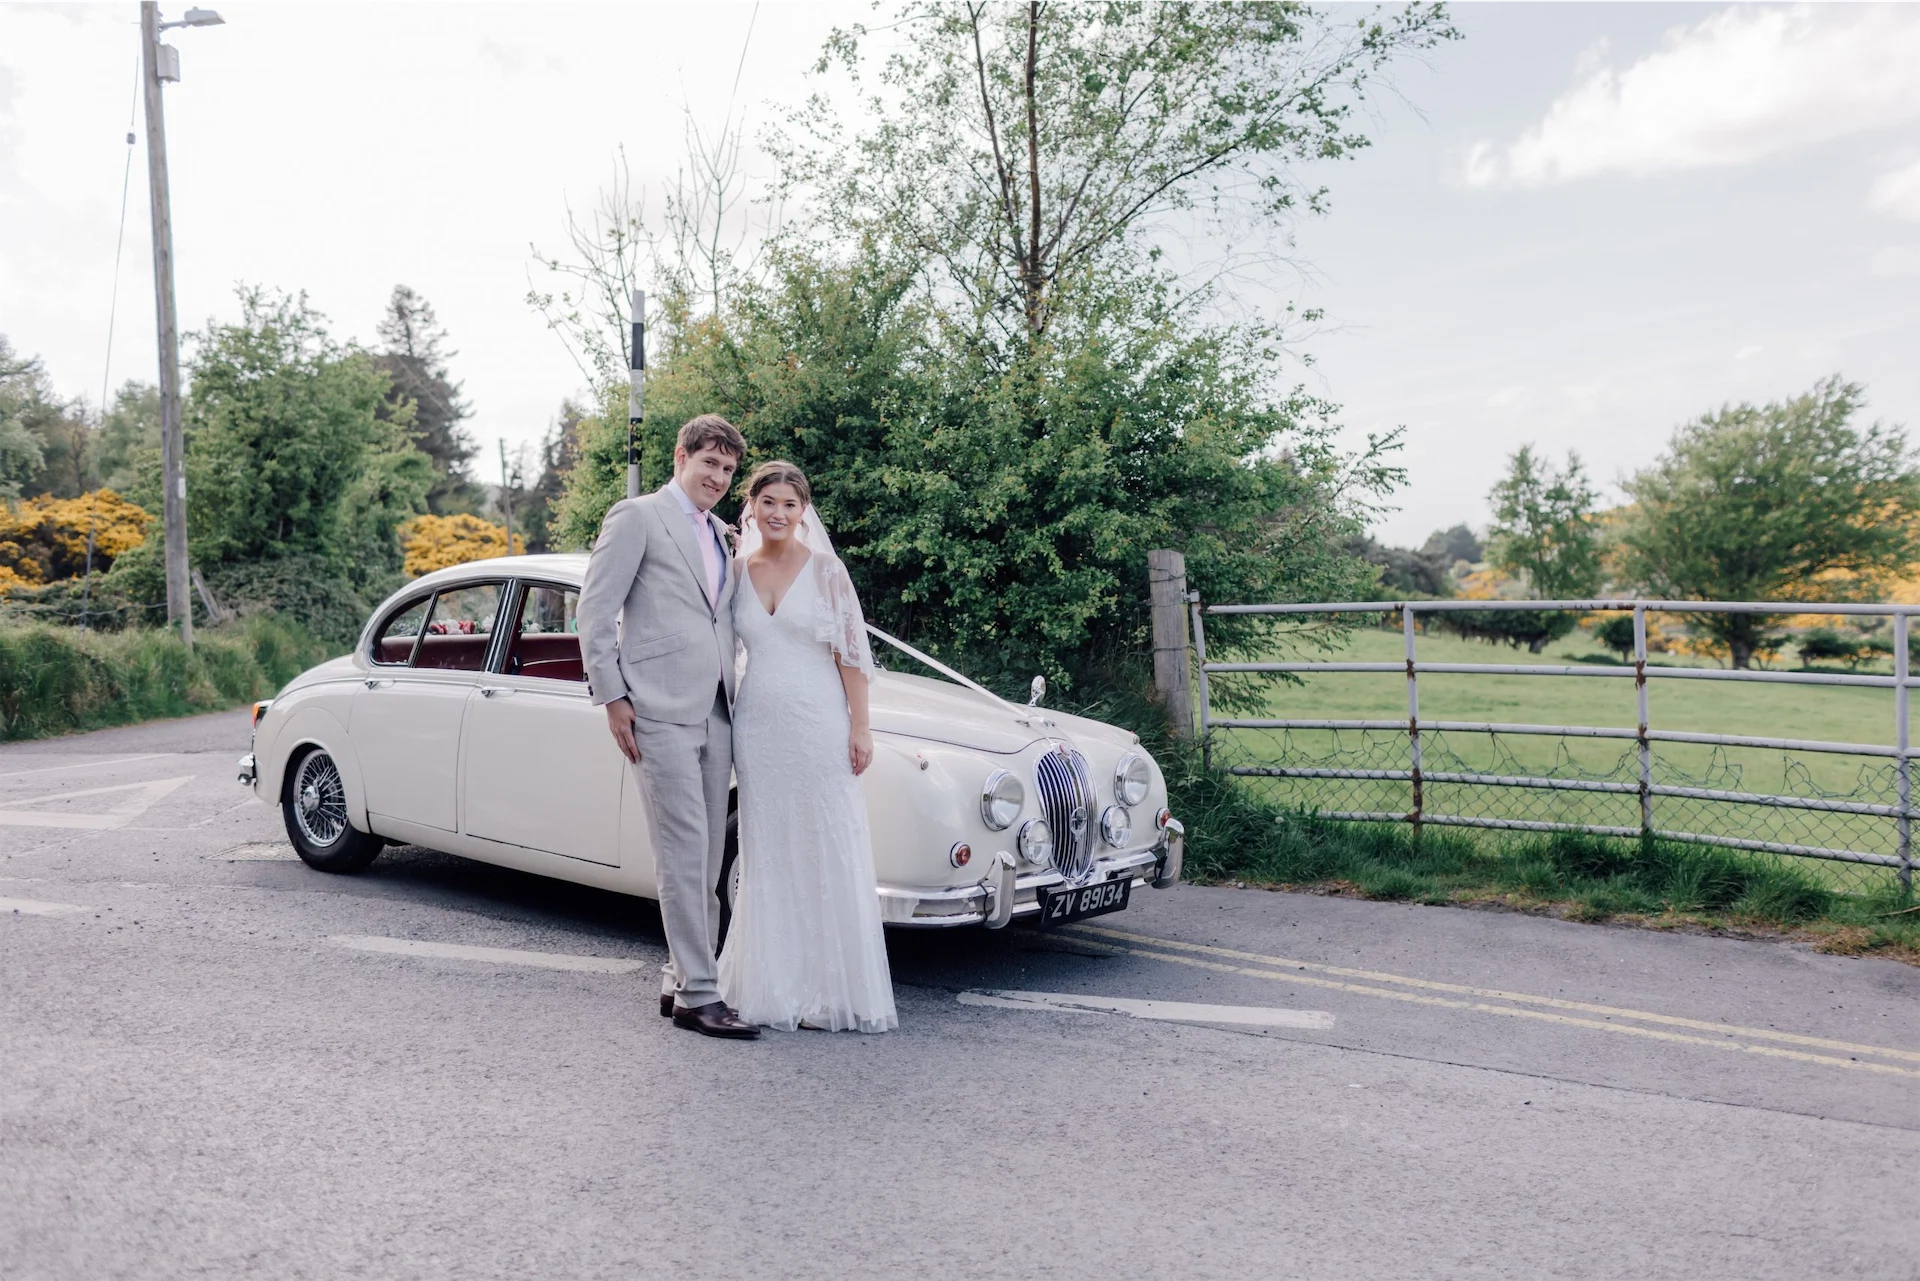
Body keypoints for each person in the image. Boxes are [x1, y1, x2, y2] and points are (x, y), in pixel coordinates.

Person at [577, 414, 759, 1040]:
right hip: (655, 710)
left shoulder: (722, 533)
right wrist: (612, 697)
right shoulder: (638, 517)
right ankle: (700, 996)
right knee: (682, 853)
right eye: (709, 463)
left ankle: (678, 977)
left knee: (705, 858)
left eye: (728, 469)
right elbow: (594, 611)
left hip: (717, 709)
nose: (718, 477)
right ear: (681, 457)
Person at [718, 460, 898, 1033]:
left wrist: (860, 728)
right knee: (768, 850)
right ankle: (770, 984)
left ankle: (830, 990)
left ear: (803, 511)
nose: (778, 513)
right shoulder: (735, 570)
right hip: (758, 727)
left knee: (825, 845)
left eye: (789, 504)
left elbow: (852, 655)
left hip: (818, 723)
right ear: (751, 505)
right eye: (768, 502)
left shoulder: (826, 571)